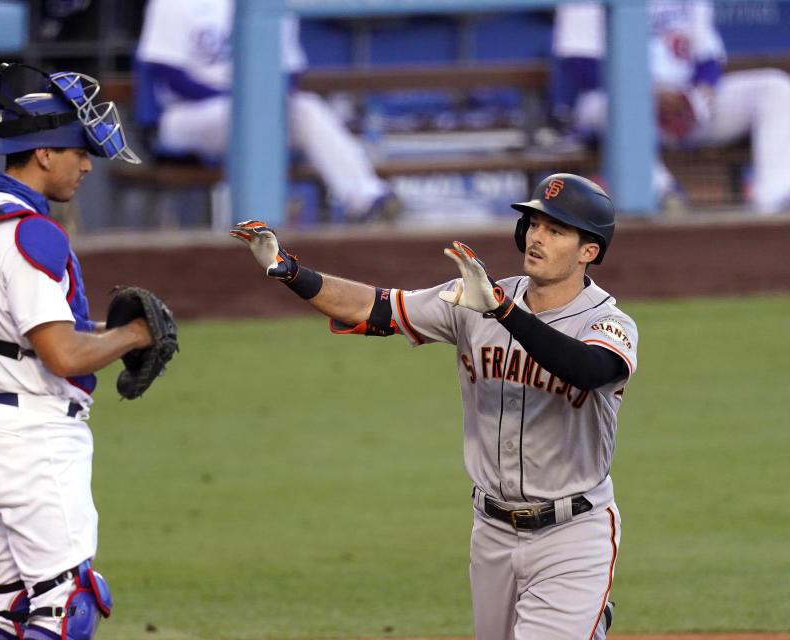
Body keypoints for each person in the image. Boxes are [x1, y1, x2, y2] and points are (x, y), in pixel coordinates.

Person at [231, 172, 636, 639]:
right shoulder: (477, 297)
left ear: (589, 251)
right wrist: (290, 271)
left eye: (556, 230)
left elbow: (589, 370)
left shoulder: (606, 322)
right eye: (535, 224)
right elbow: (375, 307)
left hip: (574, 533)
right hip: (493, 531)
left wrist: (503, 311)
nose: (537, 237)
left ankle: (582, 614)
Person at [0, 62, 149, 640]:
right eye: (77, 151)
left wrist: (103, 332)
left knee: (11, 608)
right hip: (34, 440)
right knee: (67, 605)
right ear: (43, 153)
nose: (86, 165)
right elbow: (60, 354)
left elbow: (22, 331)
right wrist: (133, 336)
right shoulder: (34, 234)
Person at [133, 0, 401, 224]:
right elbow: (167, 73)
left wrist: (263, 102)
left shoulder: (269, 3)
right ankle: (260, 220)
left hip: (256, 114)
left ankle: (367, 198)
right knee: (238, 115)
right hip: (187, 115)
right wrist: (246, 102)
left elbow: (290, 71)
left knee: (306, 107)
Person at [552, 1, 790, 215]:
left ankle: (773, 201)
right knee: (612, 107)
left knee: (774, 87)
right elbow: (580, 65)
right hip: (616, 100)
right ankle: (664, 195)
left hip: (684, 103)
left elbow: (708, 57)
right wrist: (646, 92)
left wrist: (697, 95)